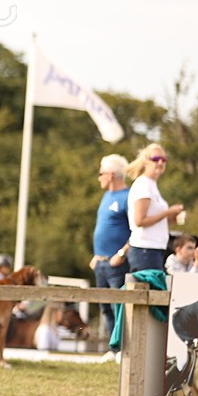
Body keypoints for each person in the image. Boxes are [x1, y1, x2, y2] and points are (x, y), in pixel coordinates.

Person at [89, 154, 132, 359]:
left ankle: (123, 349)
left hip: (118, 263)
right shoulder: (106, 196)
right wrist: (96, 255)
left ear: (112, 175)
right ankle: (113, 349)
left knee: (119, 307)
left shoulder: (128, 197)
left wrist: (122, 254)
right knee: (105, 307)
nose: (99, 178)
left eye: (101, 173)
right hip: (101, 262)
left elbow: (137, 231)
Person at [125, 144, 184, 272]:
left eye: (164, 160)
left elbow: (152, 219)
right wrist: (167, 212)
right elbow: (140, 221)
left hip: (154, 249)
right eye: (156, 159)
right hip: (145, 250)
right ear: (146, 161)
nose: (160, 162)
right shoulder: (143, 185)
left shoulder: (151, 185)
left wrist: (169, 218)